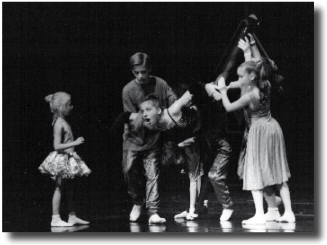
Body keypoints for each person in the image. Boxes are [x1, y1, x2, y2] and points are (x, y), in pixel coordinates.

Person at [214, 60, 295, 225]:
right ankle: (281, 211)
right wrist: (247, 52)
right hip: (272, 127)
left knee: (255, 172)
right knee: (277, 173)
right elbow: (251, 74)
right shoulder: (265, 84)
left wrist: (223, 91)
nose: (238, 79)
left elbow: (229, 107)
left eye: (241, 76)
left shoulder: (250, 94)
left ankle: (259, 214)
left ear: (251, 76)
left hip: (259, 132)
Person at [122, 52, 177, 224]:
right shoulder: (128, 90)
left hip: (153, 139)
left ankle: (153, 210)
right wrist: (150, 120)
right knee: (129, 171)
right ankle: (138, 201)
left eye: (144, 72)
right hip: (133, 139)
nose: (141, 76)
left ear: (150, 69)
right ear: (132, 71)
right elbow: (130, 117)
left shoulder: (160, 84)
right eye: (137, 72)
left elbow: (173, 103)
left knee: (152, 173)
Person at [39, 92, 91, 227]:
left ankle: (72, 216)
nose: (72, 107)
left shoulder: (63, 122)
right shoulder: (58, 124)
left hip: (68, 158)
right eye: (69, 105)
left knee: (69, 188)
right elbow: (56, 146)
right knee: (59, 188)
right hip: (61, 159)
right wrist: (75, 143)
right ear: (62, 107)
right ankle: (55, 218)